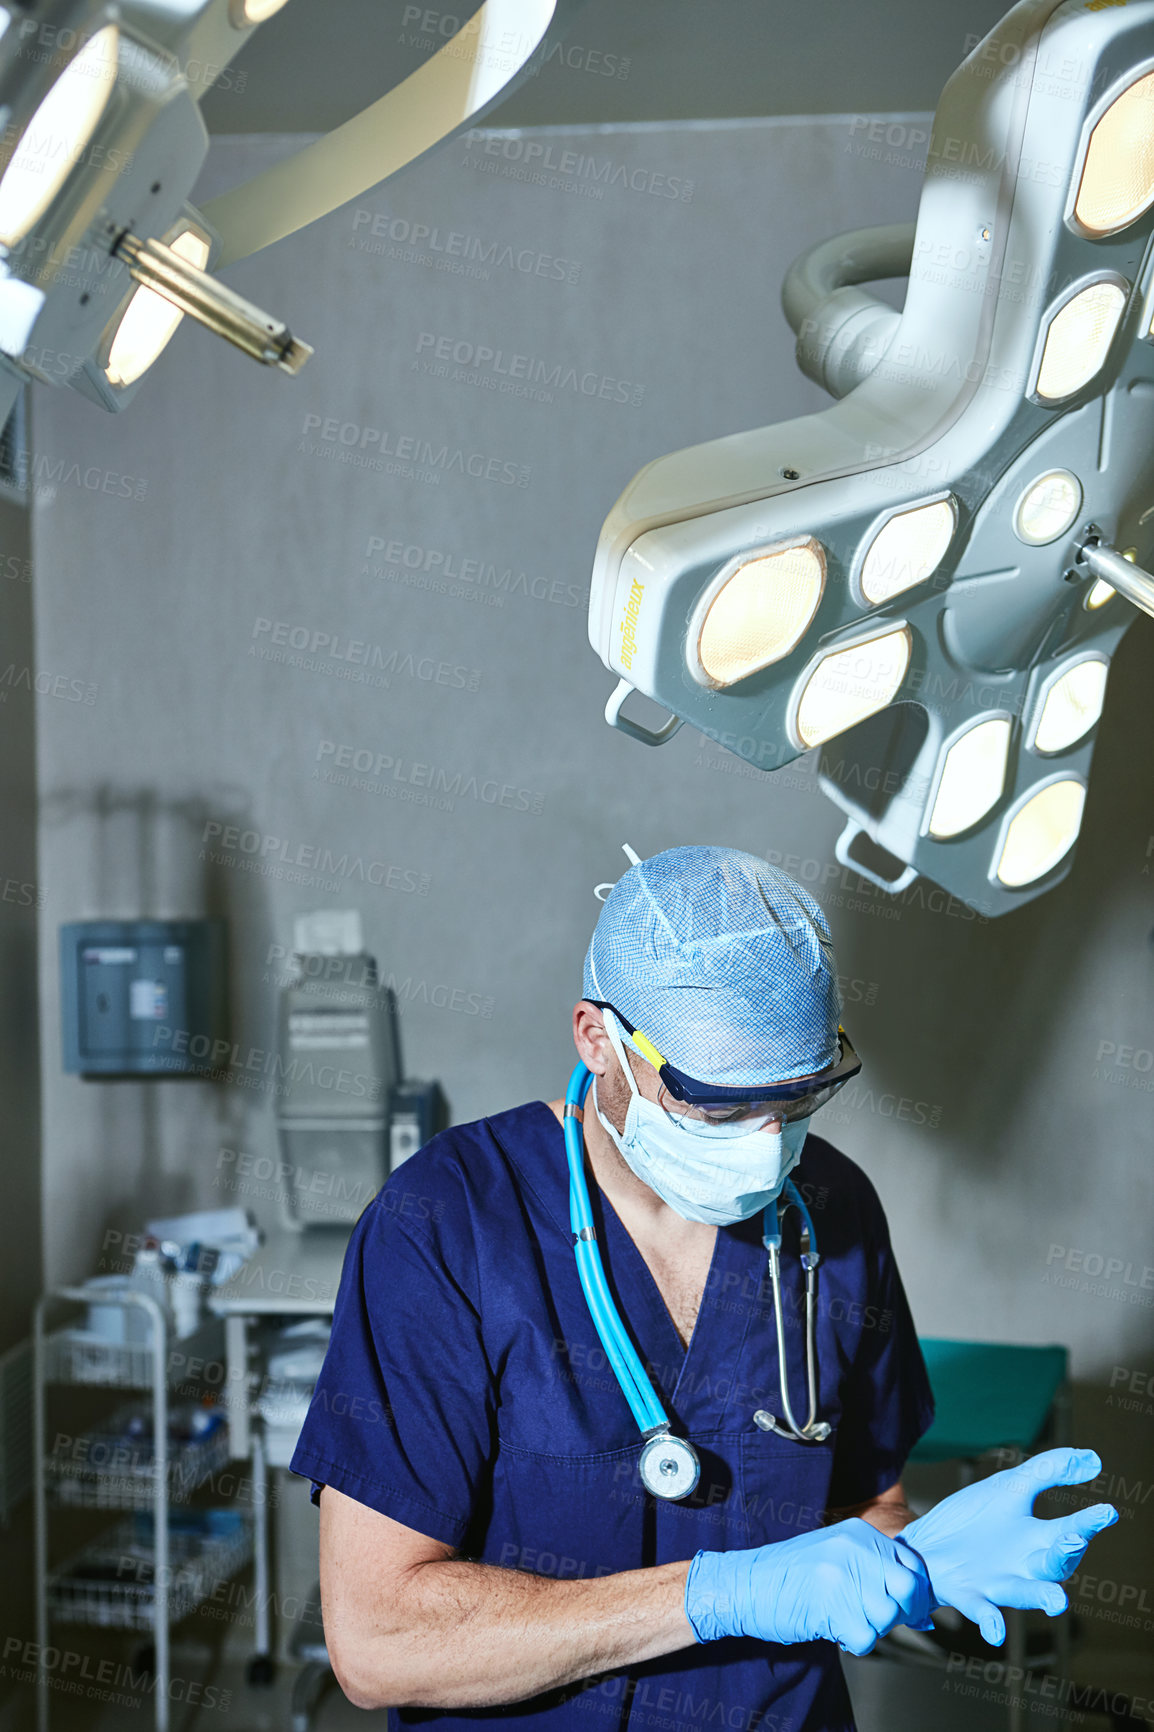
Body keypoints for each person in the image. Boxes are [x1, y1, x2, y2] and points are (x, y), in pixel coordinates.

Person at [290, 845, 1116, 1731]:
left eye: (799, 1100)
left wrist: (914, 1558)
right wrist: (714, 1595)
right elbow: (377, 1642)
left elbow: (863, 1507)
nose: (766, 1143)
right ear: (596, 1038)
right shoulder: (446, 1225)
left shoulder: (833, 1216)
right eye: (718, 1106)